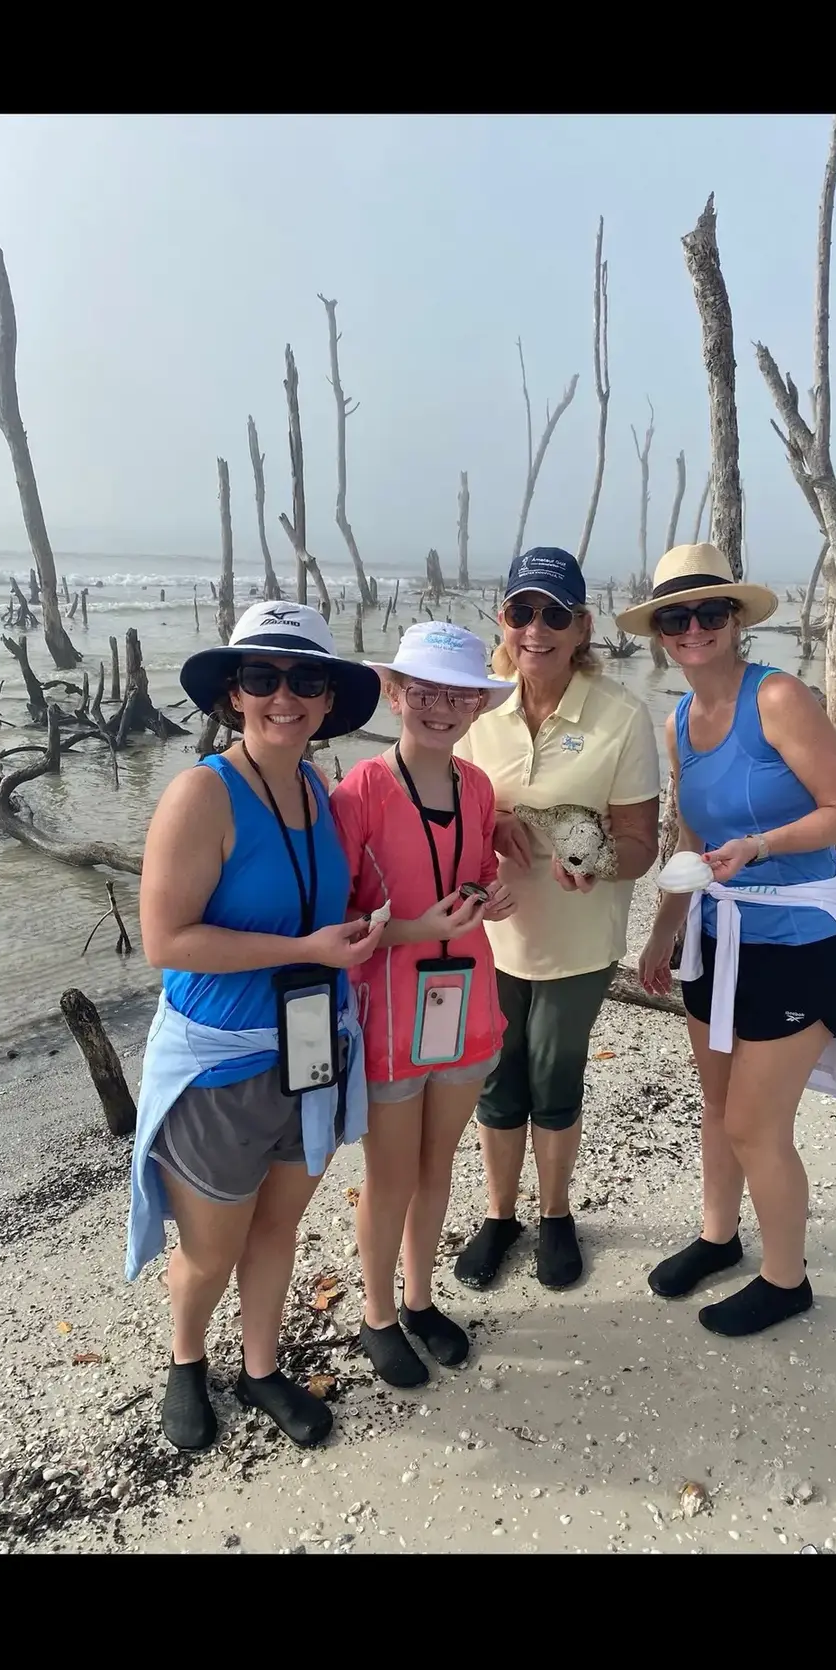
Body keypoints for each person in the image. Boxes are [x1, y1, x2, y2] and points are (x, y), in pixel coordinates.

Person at [126, 601, 384, 1453]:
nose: (286, 697)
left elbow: (328, 912)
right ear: (233, 693)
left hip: (308, 1050)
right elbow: (167, 940)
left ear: (326, 698)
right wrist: (304, 946)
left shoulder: (314, 785)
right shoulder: (203, 792)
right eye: (263, 678)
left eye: (306, 679)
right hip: (221, 1066)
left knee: (279, 1226)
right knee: (210, 1247)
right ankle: (187, 1359)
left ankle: (262, 1368)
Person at [625, 544, 836, 1338]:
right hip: (716, 934)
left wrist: (763, 845)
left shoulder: (780, 698)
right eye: (675, 617)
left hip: (796, 938)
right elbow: (690, 834)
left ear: (734, 621)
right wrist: (664, 928)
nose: (693, 628)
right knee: (720, 1106)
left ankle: (785, 1278)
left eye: (708, 612)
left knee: (755, 1126)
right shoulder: (679, 722)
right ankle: (718, 1236)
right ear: (660, 633)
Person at [452, 546, 661, 1294]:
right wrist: (491, 825)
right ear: (503, 620)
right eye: (521, 611)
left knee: (552, 1071)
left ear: (582, 626)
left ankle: (558, 1214)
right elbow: (445, 814)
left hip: (578, 940)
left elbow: (642, 843)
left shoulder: (621, 718)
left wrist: (599, 861)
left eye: (554, 614)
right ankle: (501, 1215)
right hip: (489, 934)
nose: (535, 629)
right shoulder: (476, 711)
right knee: (495, 1079)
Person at [330, 624, 517, 1388]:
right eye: (425, 692)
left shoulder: (477, 788)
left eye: (457, 694)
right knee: (390, 1172)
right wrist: (413, 929)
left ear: (477, 704)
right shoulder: (361, 791)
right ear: (398, 695)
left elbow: (475, 873)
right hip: (389, 1016)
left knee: (438, 1161)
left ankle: (418, 1298)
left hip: (466, 1005)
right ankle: (377, 1314)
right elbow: (338, 920)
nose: (439, 708)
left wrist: (491, 896)